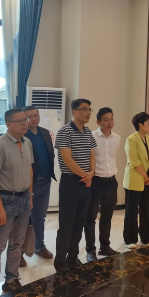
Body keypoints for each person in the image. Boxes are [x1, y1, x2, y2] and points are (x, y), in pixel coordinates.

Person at [0, 109, 33, 292]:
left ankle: (12, 279)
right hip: (6, 200)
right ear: (8, 124)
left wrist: (30, 196)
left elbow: (29, 169)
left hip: (24, 198)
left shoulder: (27, 142)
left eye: (25, 119)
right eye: (20, 121)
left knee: (17, 243)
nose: (25, 123)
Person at [54, 98, 97, 273]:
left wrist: (91, 172)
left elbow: (92, 155)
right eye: (84, 109)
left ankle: (73, 257)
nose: (88, 113)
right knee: (67, 224)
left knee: (79, 222)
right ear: (74, 111)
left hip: (86, 182)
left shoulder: (88, 132)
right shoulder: (64, 131)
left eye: (90, 109)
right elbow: (67, 159)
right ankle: (60, 261)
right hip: (71, 182)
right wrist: (85, 175)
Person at [84, 107, 121, 263]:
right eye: (106, 120)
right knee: (90, 218)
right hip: (96, 182)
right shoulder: (91, 137)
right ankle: (90, 250)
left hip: (111, 181)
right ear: (98, 122)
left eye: (111, 119)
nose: (109, 122)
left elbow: (112, 158)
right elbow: (88, 159)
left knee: (107, 216)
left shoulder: (117, 138)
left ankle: (105, 247)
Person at [123, 112, 149, 249]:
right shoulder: (131, 139)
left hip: (148, 181)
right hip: (134, 180)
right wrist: (146, 177)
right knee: (131, 211)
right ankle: (130, 239)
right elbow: (134, 162)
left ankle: (147, 238)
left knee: (147, 210)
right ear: (140, 124)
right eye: (148, 123)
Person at [23, 105, 56, 261]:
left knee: (39, 217)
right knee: (23, 219)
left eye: (36, 115)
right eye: (29, 117)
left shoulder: (45, 132)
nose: (34, 119)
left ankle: (39, 246)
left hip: (45, 181)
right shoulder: (22, 135)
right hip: (27, 183)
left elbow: (50, 154)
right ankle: (18, 252)